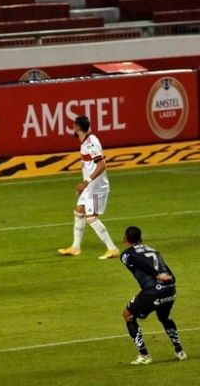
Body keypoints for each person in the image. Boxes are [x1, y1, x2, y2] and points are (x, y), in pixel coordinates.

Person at [120, 226, 187, 365]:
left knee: (128, 315)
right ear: (141, 239)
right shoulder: (153, 250)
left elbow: (140, 262)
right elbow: (168, 271)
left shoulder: (126, 254)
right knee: (164, 317)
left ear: (125, 238)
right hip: (170, 289)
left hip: (153, 291)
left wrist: (156, 275)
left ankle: (144, 355)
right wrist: (169, 279)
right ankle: (180, 351)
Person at [58, 116, 120, 259]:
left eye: (74, 126)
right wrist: (84, 186)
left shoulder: (90, 143)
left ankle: (113, 249)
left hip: (98, 188)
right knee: (79, 211)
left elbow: (102, 165)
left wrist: (85, 182)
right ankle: (75, 247)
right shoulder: (85, 142)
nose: (73, 128)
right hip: (90, 187)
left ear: (78, 127)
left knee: (91, 217)